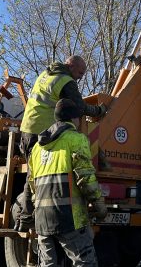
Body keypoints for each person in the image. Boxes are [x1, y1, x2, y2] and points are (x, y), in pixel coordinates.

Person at [27, 99, 113, 267]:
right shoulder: (76, 140)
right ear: (76, 118)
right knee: (84, 265)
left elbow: (33, 186)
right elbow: (85, 177)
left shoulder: (37, 148)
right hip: (70, 218)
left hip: (43, 220)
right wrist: (98, 205)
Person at [14, 56, 107, 231]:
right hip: (42, 130)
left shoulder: (46, 73)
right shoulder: (66, 81)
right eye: (80, 72)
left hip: (28, 129)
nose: (80, 77)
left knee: (35, 175)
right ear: (71, 66)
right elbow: (79, 107)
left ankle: (27, 218)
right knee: (38, 177)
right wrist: (99, 110)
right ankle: (30, 218)